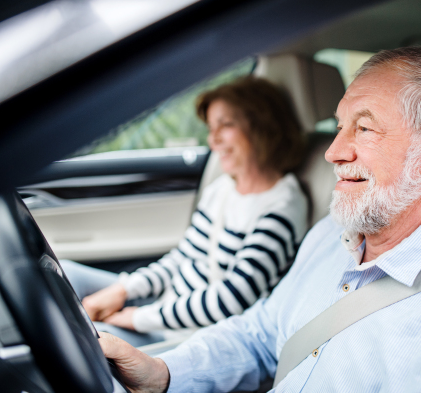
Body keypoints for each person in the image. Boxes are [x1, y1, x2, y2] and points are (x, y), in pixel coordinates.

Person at [99, 48, 421, 392]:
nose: (334, 152)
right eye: (340, 126)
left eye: (364, 127)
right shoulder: (332, 234)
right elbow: (262, 335)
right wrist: (163, 374)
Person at [62, 76, 309, 347]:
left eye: (225, 125)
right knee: (63, 273)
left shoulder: (282, 207)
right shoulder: (223, 188)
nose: (213, 140)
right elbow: (183, 257)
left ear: (263, 127)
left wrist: (137, 318)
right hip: (167, 307)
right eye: (211, 127)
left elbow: (231, 299)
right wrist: (123, 290)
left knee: (81, 337)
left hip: (193, 336)